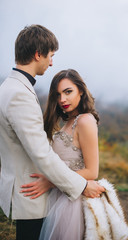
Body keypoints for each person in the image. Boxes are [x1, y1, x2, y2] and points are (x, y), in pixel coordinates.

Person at [0, 25, 104, 240]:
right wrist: (82, 184)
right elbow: (41, 154)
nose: (51, 62)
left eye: (68, 92)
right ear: (38, 54)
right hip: (32, 191)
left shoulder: (7, 87)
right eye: (50, 55)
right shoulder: (20, 94)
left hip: (40, 192)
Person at [21, 69, 101, 239]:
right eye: (58, 95)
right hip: (59, 195)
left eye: (68, 92)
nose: (62, 99)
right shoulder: (69, 122)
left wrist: (51, 182)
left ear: (81, 90)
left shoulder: (85, 120)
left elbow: (92, 172)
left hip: (71, 203)